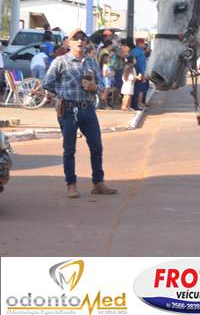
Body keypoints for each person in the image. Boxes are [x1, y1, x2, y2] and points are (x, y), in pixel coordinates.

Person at [40, 28, 117, 198]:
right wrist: (58, 96)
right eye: (76, 38)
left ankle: (98, 183)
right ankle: (71, 185)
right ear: (69, 42)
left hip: (87, 109)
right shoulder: (60, 61)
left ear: (86, 42)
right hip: (67, 110)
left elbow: (102, 86)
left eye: (83, 38)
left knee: (96, 147)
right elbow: (47, 83)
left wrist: (94, 87)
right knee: (69, 149)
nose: (80, 41)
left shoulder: (92, 62)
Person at [132, 38, 149, 109]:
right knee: (140, 90)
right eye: (143, 43)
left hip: (135, 71)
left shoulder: (134, 51)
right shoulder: (139, 52)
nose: (144, 44)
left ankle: (137, 104)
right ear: (139, 44)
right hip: (140, 72)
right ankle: (139, 104)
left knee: (136, 89)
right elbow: (141, 64)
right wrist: (143, 74)